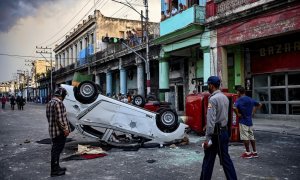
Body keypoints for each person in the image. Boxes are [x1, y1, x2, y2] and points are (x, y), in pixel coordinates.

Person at [200, 76, 237, 180]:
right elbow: (224, 116)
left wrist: (207, 139)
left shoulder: (213, 99)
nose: (208, 86)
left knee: (208, 160)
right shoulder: (225, 97)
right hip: (224, 132)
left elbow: (211, 121)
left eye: (208, 85)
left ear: (211, 85)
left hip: (215, 135)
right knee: (226, 160)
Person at [46, 87, 71, 177]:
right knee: (57, 150)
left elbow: (49, 117)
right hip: (59, 132)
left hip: (53, 130)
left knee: (55, 150)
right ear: (62, 95)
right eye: (64, 95)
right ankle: (54, 171)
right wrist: (65, 130)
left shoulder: (50, 102)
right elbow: (60, 119)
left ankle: (57, 167)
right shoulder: (58, 103)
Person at [233, 86, 262, 159]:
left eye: (237, 92)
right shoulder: (250, 99)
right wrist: (253, 112)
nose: (237, 93)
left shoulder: (239, 100)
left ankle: (248, 152)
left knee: (245, 137)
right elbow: (259, 104)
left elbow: (234, 107)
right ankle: (255, 152)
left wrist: (238, 114)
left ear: (239, 92)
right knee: (251, 136)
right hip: (250, 121)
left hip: (243, 121)